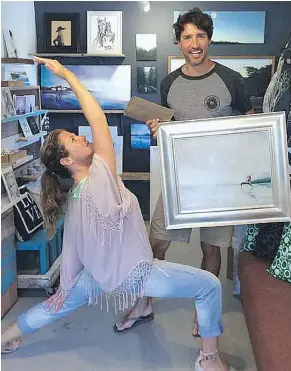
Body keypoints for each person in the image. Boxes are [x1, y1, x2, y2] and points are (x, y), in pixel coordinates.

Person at [1, 57, 237, 371]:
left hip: (98, 277)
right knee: (208, 285)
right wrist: (68, 74)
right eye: (73, 140)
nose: (82, 137)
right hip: (137, 274)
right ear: (68, 161)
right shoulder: (100, 174)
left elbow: (71, 248)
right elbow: (96, 117)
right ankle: (209, 359)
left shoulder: (75, 195)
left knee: (54, 305)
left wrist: (67, 286)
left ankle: (5, 337)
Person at [119, 8, 253, 337]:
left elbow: (251, 126)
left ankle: (203, 315)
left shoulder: (231, 80)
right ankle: (144, 302)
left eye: (201, 36)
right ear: (179, 43)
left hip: (219, 182)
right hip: (181, 178)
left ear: (209, 39)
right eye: (187, 37)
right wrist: (157, 129)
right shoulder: (169, 83)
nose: (195, 43)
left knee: (211, 249)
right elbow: (168, 127)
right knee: (157, 244)